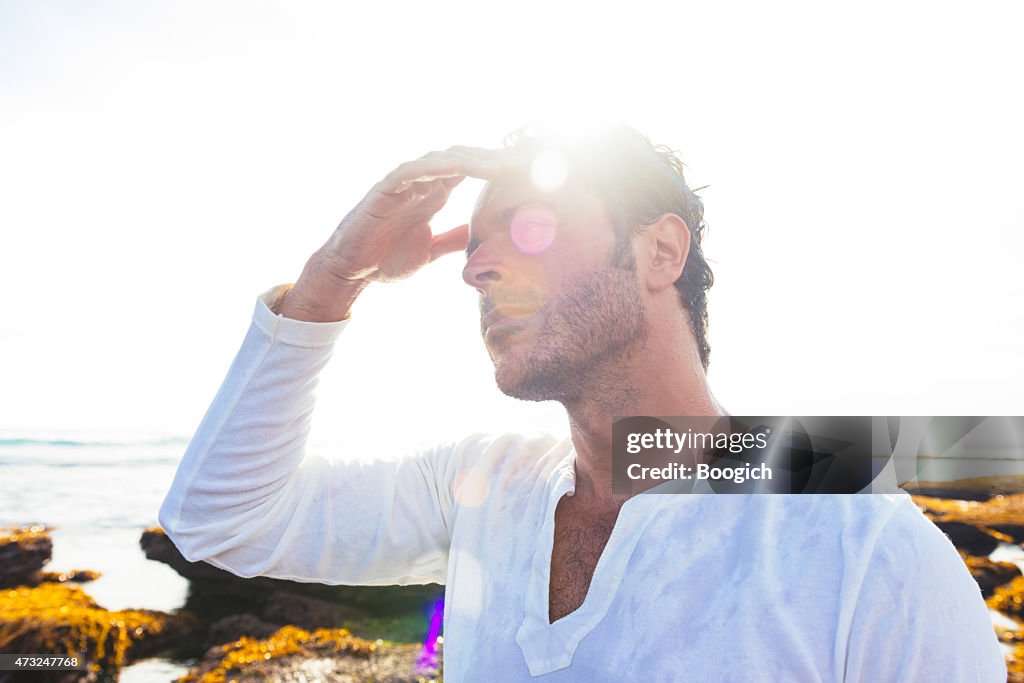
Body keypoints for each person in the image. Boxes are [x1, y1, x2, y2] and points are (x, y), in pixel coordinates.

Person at [159, 123, 1006, 681]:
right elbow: (218, 518)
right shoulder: (482, 487)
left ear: (660, 251)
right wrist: (334, 274)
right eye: (476, 244)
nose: (475, 266)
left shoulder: (865, 552)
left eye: (530, 226)